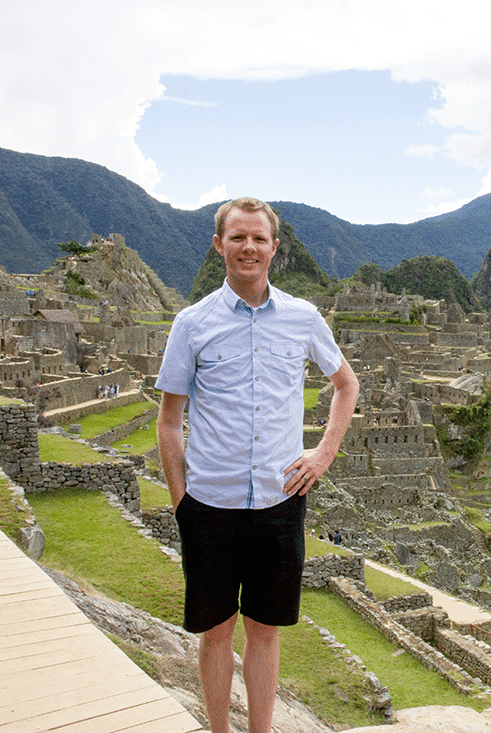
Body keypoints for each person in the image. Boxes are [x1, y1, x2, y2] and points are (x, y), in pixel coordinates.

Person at [156, 197, 359, 733]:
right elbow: (169, 421)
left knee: (265, 630)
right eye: (238, 237)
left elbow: (345, 384)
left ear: (275, 247)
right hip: (210, 506)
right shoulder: (192, 324)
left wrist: (324, 454)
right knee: (216, 632)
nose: (249, 247)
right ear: (219, 244)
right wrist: (182, 504)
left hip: (279, 501)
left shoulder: (302, 317)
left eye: (259, 239)